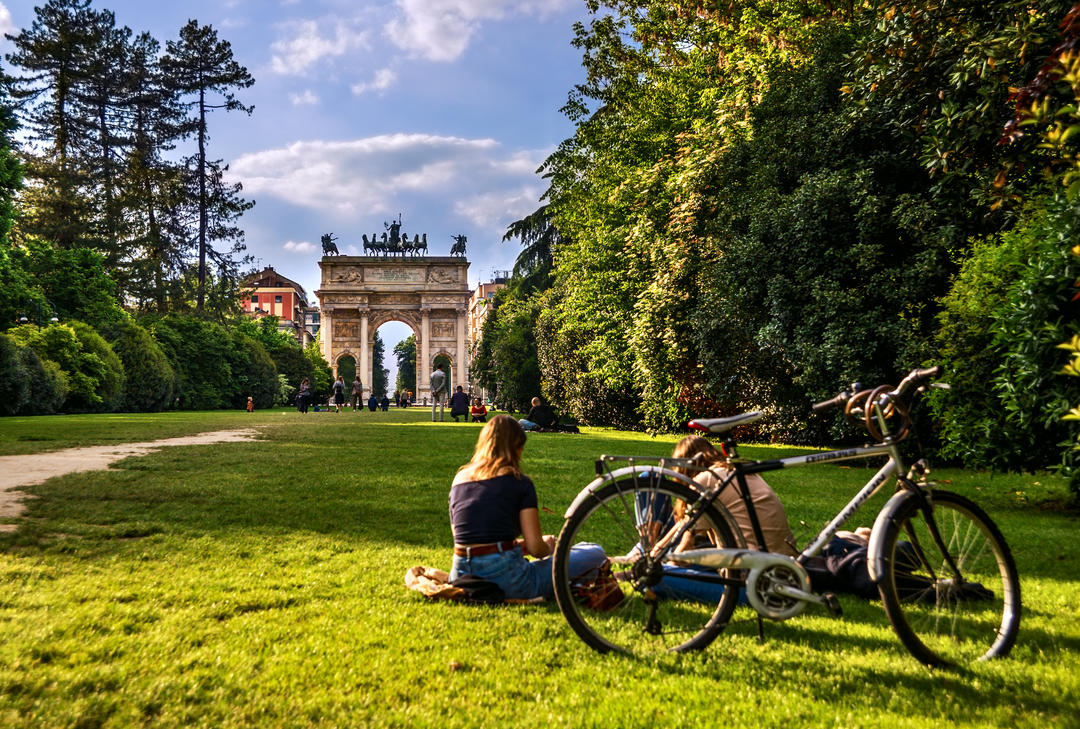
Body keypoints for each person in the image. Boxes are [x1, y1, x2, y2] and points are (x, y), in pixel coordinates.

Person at [448, 415, 606, 599]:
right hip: (509, 579)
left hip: (460, 575)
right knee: (594, 551)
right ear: (516, 447)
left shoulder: (459, 479)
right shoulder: (519, 483)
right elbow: (537, 550)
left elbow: (469, 538)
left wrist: (519, 546)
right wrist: (547, 546)